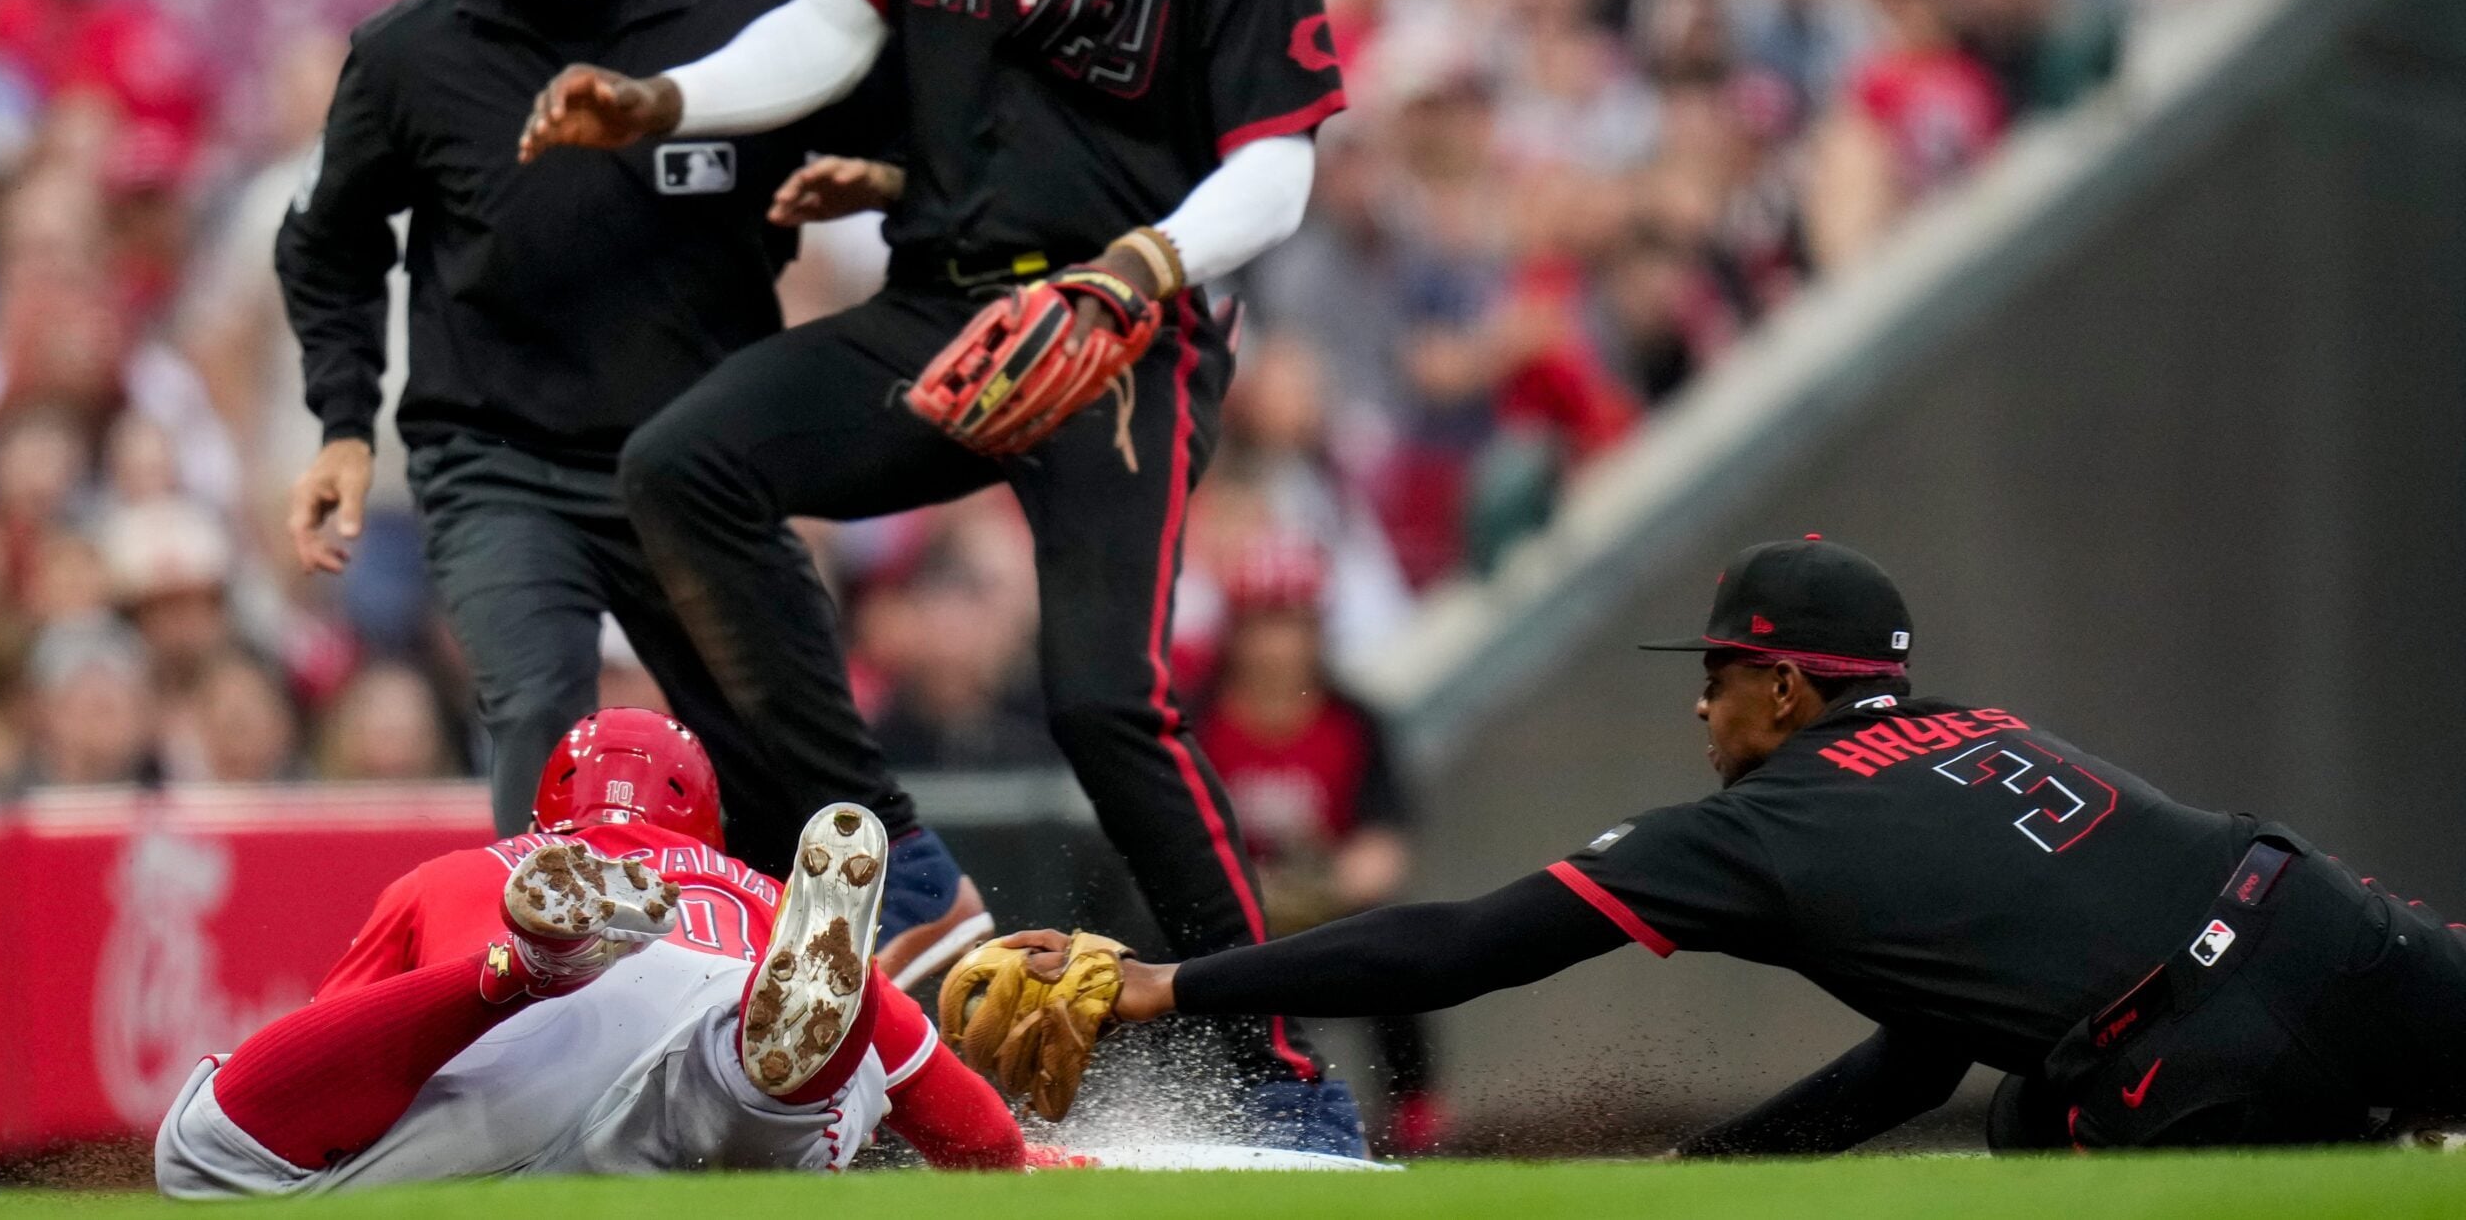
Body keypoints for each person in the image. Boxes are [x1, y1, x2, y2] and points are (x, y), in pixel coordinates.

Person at [518, 0, 1360, 1148]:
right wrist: (665, 99)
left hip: (1118, 342)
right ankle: (884, 846)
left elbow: (1278, 158)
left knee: (1106, 702)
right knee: (680, 468)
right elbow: (836, 27)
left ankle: (1275, 1062)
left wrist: (1130, 275)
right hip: (945, 296)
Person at [1017, 537, 2466, 1153]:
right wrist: (1722, 1164)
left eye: (1718, 670)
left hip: (2188, 1049)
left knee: (2044, 1124)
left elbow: (1466, 941)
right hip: (2331, 917)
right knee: (2037, 1107)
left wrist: (1166, 986)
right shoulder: (1979, 728)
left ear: (1785, 686)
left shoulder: (1768, 818)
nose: (1701, 696)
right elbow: (1922, 1047)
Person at [275, 0, 889, 872]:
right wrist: (345, 423)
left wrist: (887, 180)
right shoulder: (411, 57)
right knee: (541, 730)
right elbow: (328, 244)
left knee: (786, 772)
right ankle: (557, 1014)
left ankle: (787, 1022)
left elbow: (932, 148)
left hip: (698, 470)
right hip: (501, 460)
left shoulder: (754, 23)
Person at [154, 708, 1030, 1193]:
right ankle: (756, 1077)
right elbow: (956, 1110)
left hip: (508, 1057)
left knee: (207, 1156)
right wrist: (1014, 1161)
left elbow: (333, 1056)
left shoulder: (461, 870)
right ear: (705, 821)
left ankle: (517, 970)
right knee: (755, 1085)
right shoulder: (759, 892)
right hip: (711, 1013)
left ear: (547, 815)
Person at [1193, 538, 1445, 1154]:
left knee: (1401, 943)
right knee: (1153, 944)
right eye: (1262, 627)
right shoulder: (1195, 724)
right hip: (1231, 912)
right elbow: (1179, 848)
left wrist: (1321, 886)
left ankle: (1416, 1112)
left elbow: (1381, 854)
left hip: (1326, 907)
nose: (1277, 648)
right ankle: (1178, 1106)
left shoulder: (1355, 722)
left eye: (1292, 626)